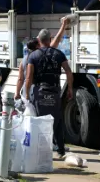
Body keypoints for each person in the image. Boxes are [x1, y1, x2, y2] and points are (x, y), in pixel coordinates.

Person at [24, 28, 73, 160]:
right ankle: (61, 150)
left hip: (39, 91)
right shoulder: (59, 54)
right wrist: (70, 89)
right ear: (50, 39)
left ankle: (41, 150)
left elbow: (29, 77)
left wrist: (27, 94)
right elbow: (68, 71)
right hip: (55, 91)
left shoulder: (33, 56)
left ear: (39, 40)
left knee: (39, 120)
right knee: (57, 120)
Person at [15, 17, 69, 102]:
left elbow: (20, 79)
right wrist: (63, 25)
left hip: (26, 91)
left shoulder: (24, 59)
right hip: (35, 91)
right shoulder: (40, 55)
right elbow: (57, 40)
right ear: (38, 45)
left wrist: (17, 93)